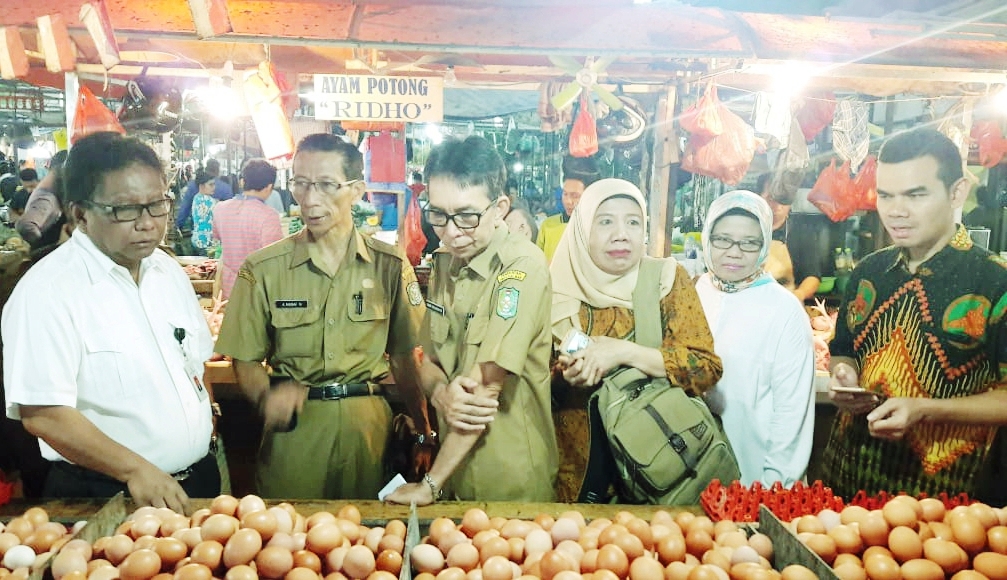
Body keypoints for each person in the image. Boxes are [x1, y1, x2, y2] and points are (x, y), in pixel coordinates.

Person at [2, 132, 219, 511]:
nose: (148, 223)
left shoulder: (168, 271)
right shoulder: (47, 291)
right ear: (81, 213)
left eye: (157, 205)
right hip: (105, 493)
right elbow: (43, 414)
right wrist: (135, 470)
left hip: (195, 479)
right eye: (125, 210)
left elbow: (195, 364)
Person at [214, 134, 433, 500]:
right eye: (300, 184)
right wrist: (266, 400)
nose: (310, 199)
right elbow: (245, 358)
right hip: (295, 435)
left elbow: (405, 358)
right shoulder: (264, 269)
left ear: (357, 190)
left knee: (369, 540)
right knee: (290, 541)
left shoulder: (390, 266)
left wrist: (425, 431)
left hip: (368, 432)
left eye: (327, 185)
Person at [821, 128, 1007, 502]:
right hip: (846, 482)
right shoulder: (868, 272)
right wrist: (844, 375)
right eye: (886, 196)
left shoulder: (993, 283)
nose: (896, 211)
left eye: (915, 195)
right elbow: (843, 350)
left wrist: (924, 409)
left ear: (956, 192)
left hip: (942, 503)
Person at [387, 136, 558, 505]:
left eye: (467, 216)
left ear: (499, 208)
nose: (450, 231)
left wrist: (428, 486)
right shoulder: (446, 263)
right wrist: (441, 394)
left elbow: (485, 390)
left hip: (508, 477)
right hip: (454, 472)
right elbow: (427, 361)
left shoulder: (521, 267)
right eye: (438, 215)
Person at [549, 178, 723, 503]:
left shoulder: (666, 281)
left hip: (659, 466)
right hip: (574, 469)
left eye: (632, 222)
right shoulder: (555, 291)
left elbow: (705, 367)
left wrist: (624, 353)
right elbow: (529, 388)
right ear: (582, 228)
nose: (621, 234)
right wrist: (564, 377)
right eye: (605, 222)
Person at [695, 190, 815, 487]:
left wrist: (776, 484)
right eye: (722, 239)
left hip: (756, 476)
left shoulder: (784, 308)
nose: (734, 252)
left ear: (764, 246)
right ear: (707, 237)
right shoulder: (697, 292)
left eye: (749, 243)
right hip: (693, 474)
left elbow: (792, 410)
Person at [212, 159, 285, 300]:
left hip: (228, 288)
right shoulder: (269, 216)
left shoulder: (220, 209)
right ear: (269, 187)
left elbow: (218, 238)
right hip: (255, 292)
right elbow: (275, 261)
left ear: (242, 182)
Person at [536, 155, 600, 262]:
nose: (568, 201)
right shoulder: (548, 226)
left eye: (575, 196)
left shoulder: (597, 230)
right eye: (565, 194)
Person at [175, 158, 234, 230]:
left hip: (198, 229)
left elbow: (185, 208)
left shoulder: (194, 185)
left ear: (206, 169)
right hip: (220, 230)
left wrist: (179, 225)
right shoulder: (226, 188)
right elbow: (230, 213)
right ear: (218, 171)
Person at [190, 170, 217, 255]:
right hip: (207, 242)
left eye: (214, 184)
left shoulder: (196, 198)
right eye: (211, 185)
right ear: (201, 186)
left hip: (196, 239)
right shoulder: (210, 201)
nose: (214, 187)